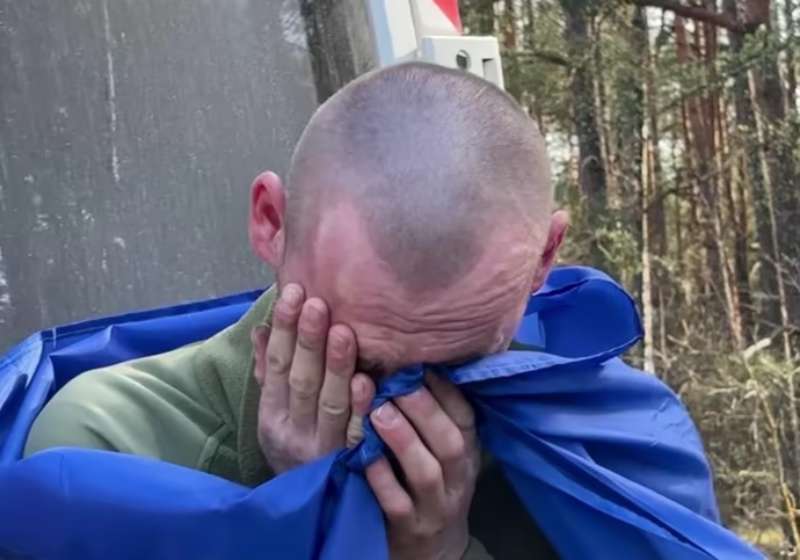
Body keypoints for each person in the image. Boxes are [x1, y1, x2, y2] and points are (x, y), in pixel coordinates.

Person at [27, 61, 584, 560]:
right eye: (355, 362)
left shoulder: (573, 456)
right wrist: (307, 519)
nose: (393, 413)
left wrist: (442, 553)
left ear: (544, 258)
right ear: (271, 222)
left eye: (457, 370)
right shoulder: (109, 449)